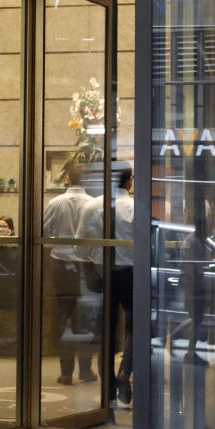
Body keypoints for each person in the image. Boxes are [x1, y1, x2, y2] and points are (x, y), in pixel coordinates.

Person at [77, 165, 134, 405]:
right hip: (132, 273)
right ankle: (124, 374)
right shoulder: (136, 206)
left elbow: (80, 245)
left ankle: (108, 388)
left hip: (103, 273)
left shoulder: (92, 206)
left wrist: (89, 272)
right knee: (136, 329)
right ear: (129, 181)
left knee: (106, 332)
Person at [42, 160, 97, 385]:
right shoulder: (94, 204)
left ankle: (66, 372)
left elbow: (44, 231)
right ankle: (85, 369)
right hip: (87, 266)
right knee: (85, 319)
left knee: (63, 316)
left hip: (61, 265)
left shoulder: (55, 202)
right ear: (87, 181)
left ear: (67, 179)